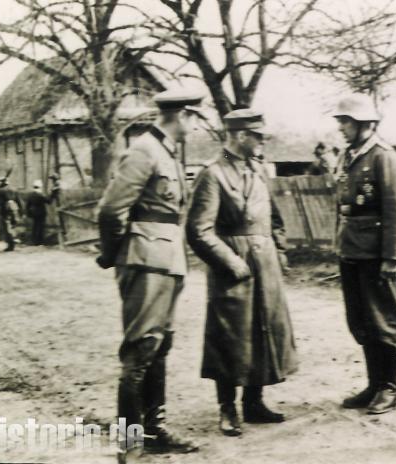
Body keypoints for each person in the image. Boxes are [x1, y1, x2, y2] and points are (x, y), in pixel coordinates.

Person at [96, 88, 201, 462]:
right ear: (182, 115)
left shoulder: (167, 152)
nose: (194, 125)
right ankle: (129, 442)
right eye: (193, 117)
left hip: (168, 261)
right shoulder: (143, 150)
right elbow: (111, 211)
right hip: (145, 262)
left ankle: (154, 429)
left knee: (160, 345)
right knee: (140, 349)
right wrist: (115, 254)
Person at [186, 108, 297, 437]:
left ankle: (254, 401)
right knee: (230, 334)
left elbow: (274, 218)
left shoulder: (259, 170)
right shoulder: (213, 174)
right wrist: (231, 262)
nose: (263, 141)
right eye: (257, 135)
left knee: (263, 330)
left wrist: (280, 250)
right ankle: (227, 408)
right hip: (233, 266)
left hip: (265, 264)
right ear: (239, 136)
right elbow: (198, 231)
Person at [332, 93, 396, 415]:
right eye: (340, 121)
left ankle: (389, 387)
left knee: (384, 322)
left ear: (365, 123)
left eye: (346, 121)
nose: (341, 127)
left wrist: (394, 256)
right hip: (351, 250)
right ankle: (373, 383)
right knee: (361, 320)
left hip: (377, 254)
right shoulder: (348, 156)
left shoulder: (384, 157)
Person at [0, 177, 23, 252]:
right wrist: (21, 211)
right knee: (13, 226)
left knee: (7, 227)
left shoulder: (0, 191)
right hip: (15, 209)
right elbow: (20, 201)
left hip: (5, 210)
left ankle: (11, 243)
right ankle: (13, 241)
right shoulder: (14, 189)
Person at [25, 180, 50, 245]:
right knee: (40, 227)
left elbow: (27, 205)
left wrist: (28, 213)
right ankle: (40, 241)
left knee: (35, 226)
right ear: (40, 187)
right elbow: (48, 201)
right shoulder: (40, 195)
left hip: (33, 213)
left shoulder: (30, 195)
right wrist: (53, 193)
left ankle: (34, 241)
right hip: (41, 213)